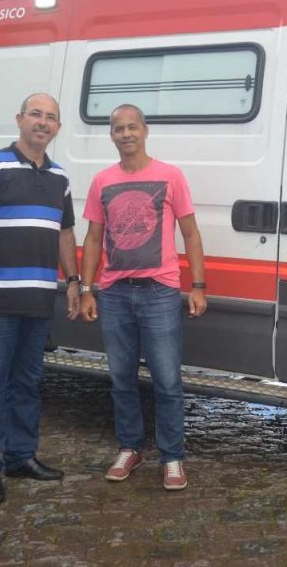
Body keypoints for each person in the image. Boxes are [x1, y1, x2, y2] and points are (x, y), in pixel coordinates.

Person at [0, 92, 80, 504]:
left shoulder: (60, 178)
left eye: (51, 117)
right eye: (35, 114)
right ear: (20, 119)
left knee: (28, 382)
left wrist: (74, 281)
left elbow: (65, 233)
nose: (43, 123)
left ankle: (21, 457)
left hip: (38, 299)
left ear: (58, 127)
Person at [79, 103, 207, 491]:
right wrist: (86, 289)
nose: (126, 134)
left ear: (145, 130)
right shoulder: (102, 181)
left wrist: (198, 285)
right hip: (114, 294)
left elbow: (191, 234)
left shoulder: (170, 176)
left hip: (160, 293)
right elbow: (93, 238)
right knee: (121, 378)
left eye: (132, 127)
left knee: (167, 381)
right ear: (111, 135)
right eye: (119, 129)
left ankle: (172, 456)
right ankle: (130, 448)